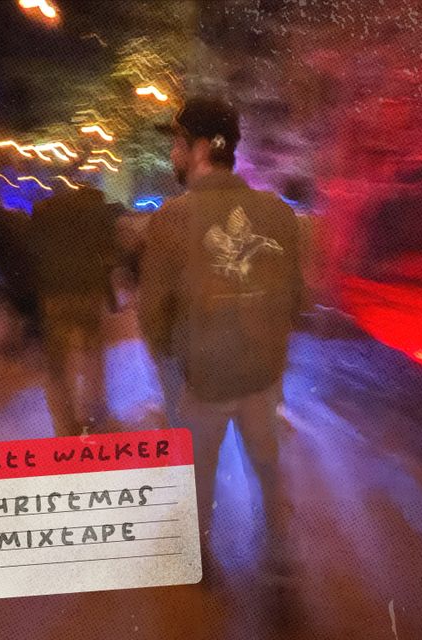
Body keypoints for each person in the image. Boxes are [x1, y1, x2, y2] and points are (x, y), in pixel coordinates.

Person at [139, 97, 303, 594]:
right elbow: (296, 299)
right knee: (267, 467)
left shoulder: (172, 218)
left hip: (205, 379)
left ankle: (200, 557)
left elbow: (154, 314)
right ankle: (279, 554)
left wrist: (173, 375)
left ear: (200, 149)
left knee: (197, 473)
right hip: (262, 375)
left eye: (178, 143)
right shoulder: (279, 213)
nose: (173, 153)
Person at [29, 180, 118, 437]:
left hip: (55, 293)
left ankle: (66, 423)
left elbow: (34, 254)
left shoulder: (44, 211)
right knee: (93, 354)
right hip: (89, 291)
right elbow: (109, 252)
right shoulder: (97, 211)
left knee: (57, 362)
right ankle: (94, 416)